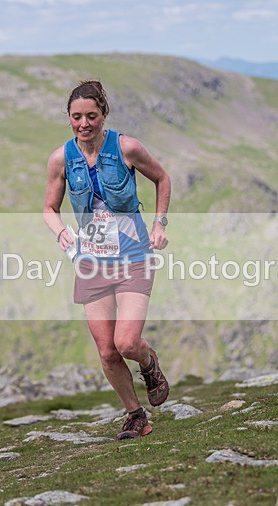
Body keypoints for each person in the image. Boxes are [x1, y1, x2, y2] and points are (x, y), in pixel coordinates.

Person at [43, 80, 172, 440]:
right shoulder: (61, 158)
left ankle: (149, 362)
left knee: (127, 343)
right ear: (69, 118)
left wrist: (159, 223)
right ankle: (135, 415)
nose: (84, 124)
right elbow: (49, 208)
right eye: (76, 117)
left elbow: (162, 178)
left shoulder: (127, 147)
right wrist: (62, 234)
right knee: (107, 350)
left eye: (91, 116)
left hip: (133, 256)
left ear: (104, 115)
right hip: (92, 262)